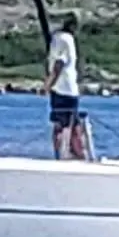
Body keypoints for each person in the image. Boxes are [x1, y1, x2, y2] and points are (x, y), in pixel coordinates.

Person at [43, 12, 87, 160]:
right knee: (72, 123)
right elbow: (59, 64)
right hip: (68, 89)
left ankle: (61, 154)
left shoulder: (57, 38)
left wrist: (48, 84)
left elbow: (55, 63)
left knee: (60, 124)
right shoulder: (67, 40)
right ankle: (78, 154)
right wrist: (50, 82)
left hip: (59, 89)